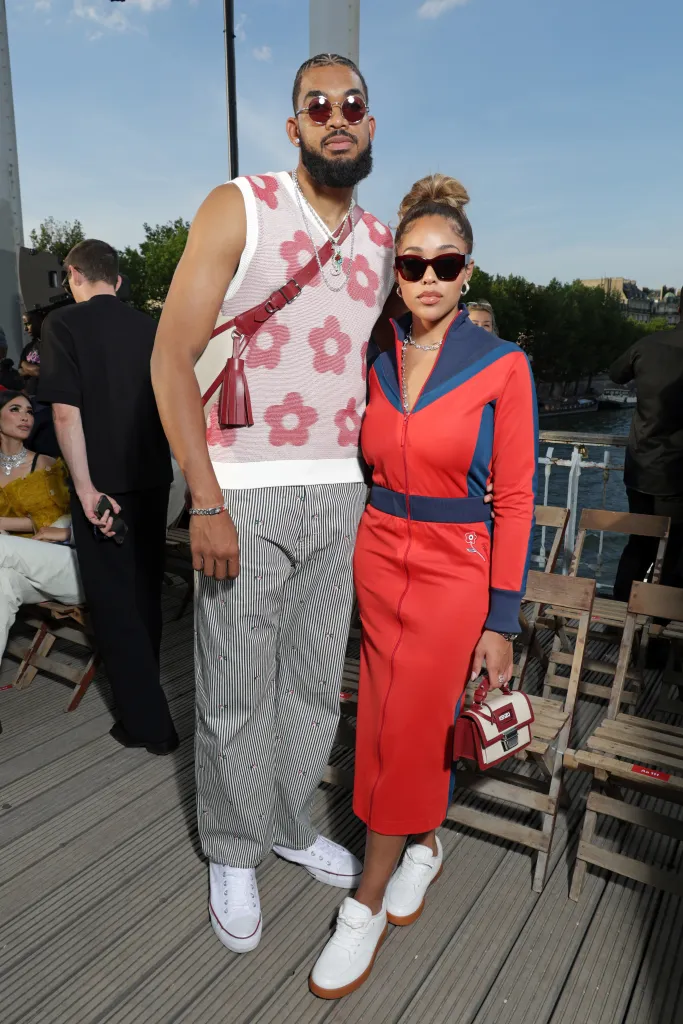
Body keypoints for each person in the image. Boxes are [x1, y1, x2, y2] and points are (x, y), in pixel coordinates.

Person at [151, 53, 397, 954]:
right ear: (293, 125)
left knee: (310, 687)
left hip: (342, 492)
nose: (337, 116)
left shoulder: (379, 243)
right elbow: (170, 355)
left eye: (353, 105)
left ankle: (291, 823)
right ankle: (232, 847)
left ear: (371, 125)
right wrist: (205, 500)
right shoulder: (240, 205)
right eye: (316, 105)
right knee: (232, 690)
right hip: (241, 494)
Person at [310, 175, 538, 999]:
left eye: (446, 263)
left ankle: (363, 902)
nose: (430, 277)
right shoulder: (375, 355)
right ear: (395, 272)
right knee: (386, 711)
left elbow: (514, 498)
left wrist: (502, 618)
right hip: (379, 551)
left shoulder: (503, 367)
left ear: (468, 271)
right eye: (413, 264)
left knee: (405, 723)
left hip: (453, 567)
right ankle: (425, 845)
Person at [38, 239, 177, 755]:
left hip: (103, 486)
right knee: (144, 594)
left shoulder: (63, 324)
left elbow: (64, 414)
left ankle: (150, 725)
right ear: (117, 280)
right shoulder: (151, 326)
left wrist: (86, 490)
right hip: (151, 478)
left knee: (115, 604)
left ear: (74, 274)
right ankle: (147, 700)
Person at [611, 294, 683, 600]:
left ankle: (619, 614)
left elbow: (616, 374)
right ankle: (659, 630)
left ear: (678, 309)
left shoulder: (647, 345)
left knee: (639, 543)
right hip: (678, 473)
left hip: (640, 466)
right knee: (676, 550)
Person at [0, 390, 82, 656]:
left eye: (29, 411)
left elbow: (50, 525)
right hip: (20, 562)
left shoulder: (47, 464)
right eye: (15, 410)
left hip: (60, 557)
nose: (25, 417)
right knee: (2, 584)